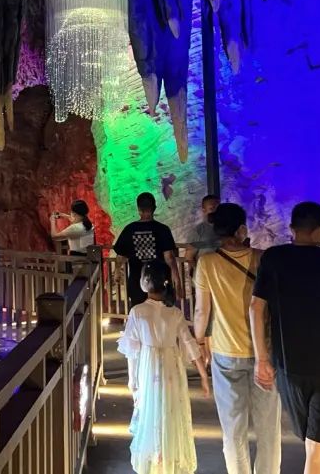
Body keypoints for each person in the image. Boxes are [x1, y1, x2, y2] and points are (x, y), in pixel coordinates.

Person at [250, 201, 320, 474]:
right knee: (317, 448)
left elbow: (256, 308)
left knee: (317, 446)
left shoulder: (274, 258)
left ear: (292, 229)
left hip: (289, 368)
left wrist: (261, 358)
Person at [195, 203, 280, 474]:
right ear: (242, 229)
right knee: (268, 429)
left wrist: (200, 341)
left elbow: (201, 311)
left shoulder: (207, 263)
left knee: (233, 430)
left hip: (225, 353)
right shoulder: (262, 259)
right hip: (264, 353)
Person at [118, 260, 208, 474]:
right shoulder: (174, 313)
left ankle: (155, 460)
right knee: (170, 410)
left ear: (143, 283)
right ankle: (168, 459)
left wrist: (132, 381)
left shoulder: (137, 312)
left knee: (150, 411)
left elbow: (132, 351)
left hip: (148, 368)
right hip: (171, 369)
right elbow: (189, 344)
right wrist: (203, 375)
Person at [114, 193, 180, 306]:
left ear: (138, 209)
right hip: (160, 282)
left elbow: (120, 256)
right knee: (163, 311)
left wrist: (117, 272)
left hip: (137, 281)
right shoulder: (163, 229)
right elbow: (169, 258)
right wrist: (177, 280)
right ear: (154, 208)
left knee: (138, 312)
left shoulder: (129, 229)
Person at [186, 194, 222, 261]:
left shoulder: (228, 228)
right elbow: (189, 258)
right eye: (212, 208)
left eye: (219, 208)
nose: (216, 211)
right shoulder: (198, 230)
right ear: (204, 210)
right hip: (205, 266)